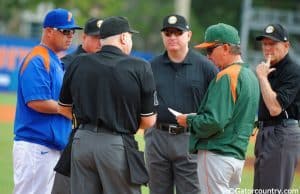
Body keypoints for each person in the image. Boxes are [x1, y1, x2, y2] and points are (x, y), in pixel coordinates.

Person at [58, 16, 157, 194]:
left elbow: (64, 108)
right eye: (130, 36)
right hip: (115, 143)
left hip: (81, 141)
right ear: (123, 37)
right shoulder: (140, 66)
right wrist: (124, 124)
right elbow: (148, 121)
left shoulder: (78, 62)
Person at [176, 23, 260, 193]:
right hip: (236, 157)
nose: (207, 56)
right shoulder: (250, 76)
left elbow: (214, 121)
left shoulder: (227, 76)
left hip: (217, 155)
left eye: (210, 50)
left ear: (226, 48)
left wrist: (189, 120)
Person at [144, 14, 218, 194]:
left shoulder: (205, 67)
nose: (172, 37)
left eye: (178, 33)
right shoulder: (151, 66)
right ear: (163, 36)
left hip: (190, 138)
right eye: (168, 33)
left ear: (189, 35)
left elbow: (216, 106)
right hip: (157, 138)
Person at [13, 8, 81, 194]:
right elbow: (36, 101)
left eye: (73, 32)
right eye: (65, 31)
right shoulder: (38, 58)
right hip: (36, 146)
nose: (70, 36)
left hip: (47, 147)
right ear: (49, 31)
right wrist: (67, 110)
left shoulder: (53, 60)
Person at [51, 17, 102, 194]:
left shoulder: (109, 64)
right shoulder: (67, 63)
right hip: (67, 137)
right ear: (84, 37)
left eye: (103, 37)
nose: (100, 42)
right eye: (95, 37)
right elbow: (61, 102)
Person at [253, 24, 300, 191]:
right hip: (266, 132)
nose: (267, 48)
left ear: (286, 46)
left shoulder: (293, 70)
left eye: (272, 43)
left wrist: (262, 78)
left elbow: (275, 108)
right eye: (265, 44)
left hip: (282, 133)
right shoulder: (268, 68)